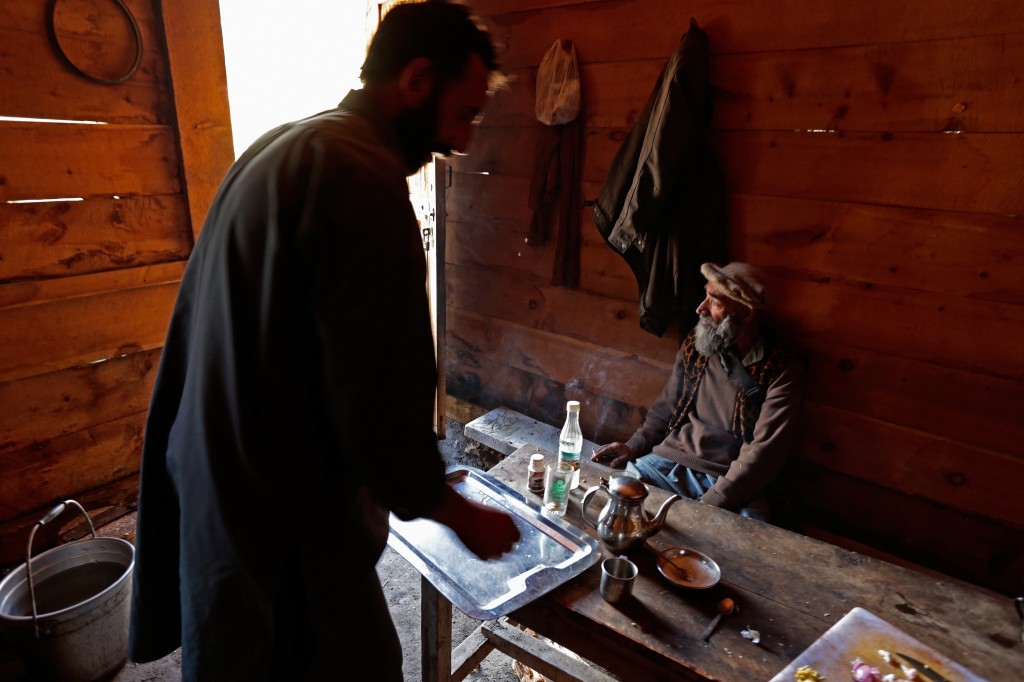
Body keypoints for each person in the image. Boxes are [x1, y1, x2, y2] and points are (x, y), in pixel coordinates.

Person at [127, 3, 520, 680]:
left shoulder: (283, 145)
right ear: (418, 80)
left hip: (211, 469)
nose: (462, 141)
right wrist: (455, 511)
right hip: (281, 515)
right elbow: (374, 397)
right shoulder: (358, 178)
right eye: (465, 113)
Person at [592, 262, 805, 522]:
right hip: (668, 462)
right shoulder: (697, 344)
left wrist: (712, 502)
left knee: (750, 539)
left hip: (733, 480)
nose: (700, 308)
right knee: (618, 504)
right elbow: (666, 408)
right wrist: (635, 445)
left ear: (746, 313)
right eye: (706, 296)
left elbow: (765, 452)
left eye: (714, 301)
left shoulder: (781, 368)